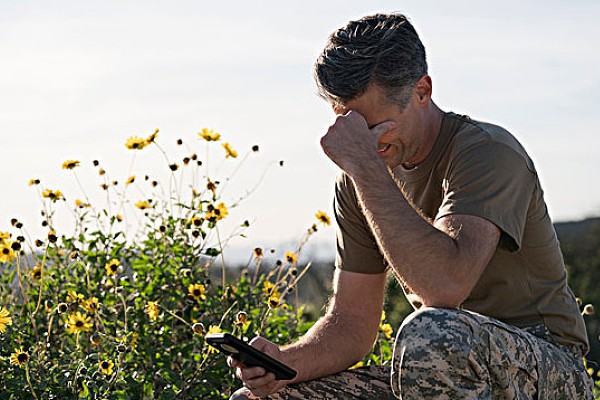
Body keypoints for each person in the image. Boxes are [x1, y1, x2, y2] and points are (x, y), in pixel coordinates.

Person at [229, 13, 594, 399]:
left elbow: (445, 288)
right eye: (349, 125)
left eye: (376, 126)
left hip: (551, 370)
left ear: (422, 91)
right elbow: (352, 323)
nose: (365, 142)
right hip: (440, 362)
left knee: (429, 332)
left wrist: (367, 170)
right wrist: (284, 364)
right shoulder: (360, 177)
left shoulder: (488, 153)